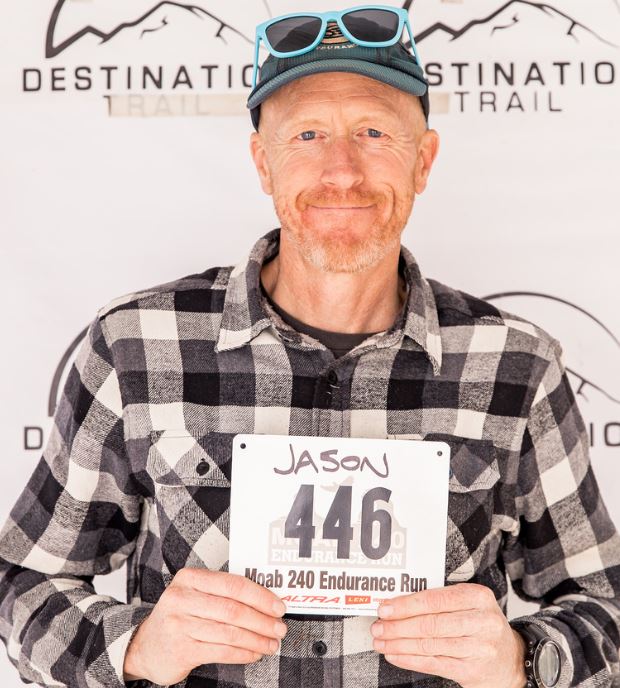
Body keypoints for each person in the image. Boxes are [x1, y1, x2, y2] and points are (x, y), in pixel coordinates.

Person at [1, 6, 619, 688]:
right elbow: (26, 582)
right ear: (263, 163)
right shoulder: (134, 346)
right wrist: (138, 647)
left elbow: (604, 607)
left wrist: (522, 660)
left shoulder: (517, 365)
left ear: (423, 161)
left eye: (374, 132)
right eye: (307, 135)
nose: (341, 171)